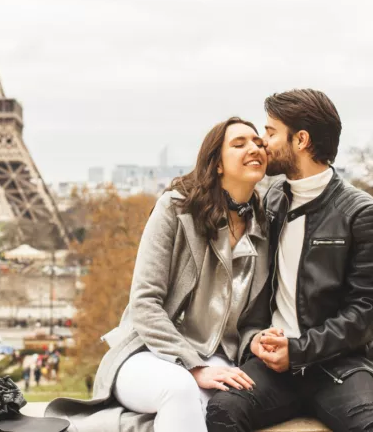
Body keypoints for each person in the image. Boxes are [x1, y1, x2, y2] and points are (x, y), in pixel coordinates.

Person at [47, 118, 271, 432]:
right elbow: (144, 303)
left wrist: (258, 340)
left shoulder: (264, 228)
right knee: (180, 392)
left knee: (226, 406)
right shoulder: (175, 210)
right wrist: (193, 366)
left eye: (259, 142)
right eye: (239, 143)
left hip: (217, 357)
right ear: (217, 163)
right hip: (148, 350)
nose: (254, 148)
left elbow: (251, 322)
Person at [205, 90, 373, 432]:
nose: (263, 143)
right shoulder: (270, 202)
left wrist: (299, 350)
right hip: (273, 368)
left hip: (341, 366)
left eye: (270, 132)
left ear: (301, 140)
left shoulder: (364, 214)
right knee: (222, 410)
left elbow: (371, 310)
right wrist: (261, 341)